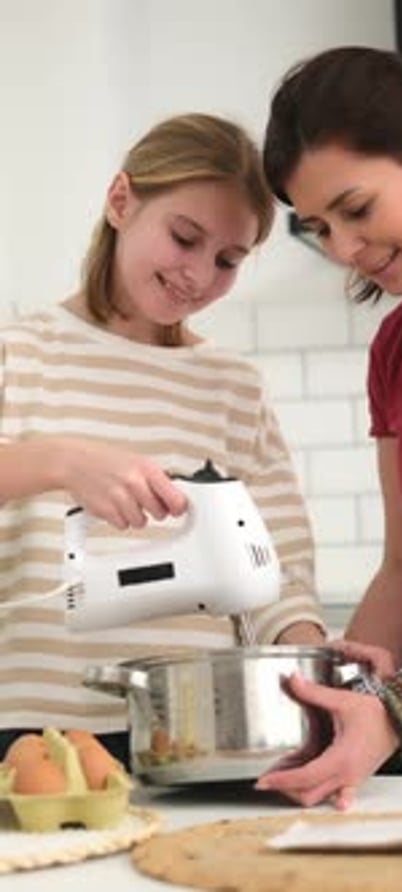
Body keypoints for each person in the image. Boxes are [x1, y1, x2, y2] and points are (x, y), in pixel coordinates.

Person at [0, 112, 327, 765]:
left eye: (228, 260)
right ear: (121, 201)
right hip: (32, 736)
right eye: (185, 238)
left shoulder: (233, 390)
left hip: (197, 737)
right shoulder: (20, 356)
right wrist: (59, 461)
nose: (199, 276)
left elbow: (280, 576)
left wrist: (312, 667)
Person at [255, 44, 402, 808]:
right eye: (320, 227)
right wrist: (331, 702)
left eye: (355, 210)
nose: (344, 250)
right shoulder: (396, 347)